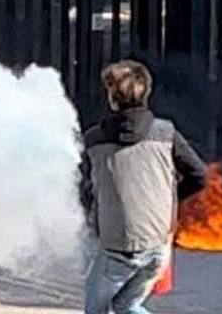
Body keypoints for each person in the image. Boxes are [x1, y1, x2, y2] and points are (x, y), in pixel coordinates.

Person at [79, 59, 207, 314]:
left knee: (96, 309)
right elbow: (199, 176)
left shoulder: (95, 140)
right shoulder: (166, 133)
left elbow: (85, 188)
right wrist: (169, 199)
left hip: (118, 249)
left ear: (112, 99)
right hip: (159, 247)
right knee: (127, 305)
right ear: (146, 94)